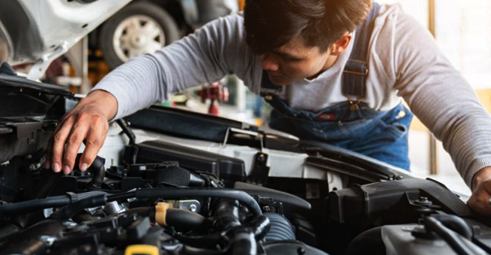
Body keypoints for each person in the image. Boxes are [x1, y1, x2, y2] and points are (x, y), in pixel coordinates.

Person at [45, 0, 491, 216]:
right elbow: (160, 70)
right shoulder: (238, 36)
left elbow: (456, 114)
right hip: (290, 143)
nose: (265, 64)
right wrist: (101, 104)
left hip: (373, 147)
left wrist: (485, 171)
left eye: (285, 57)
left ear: (339, 43)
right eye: (259, 48)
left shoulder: (392, 39)